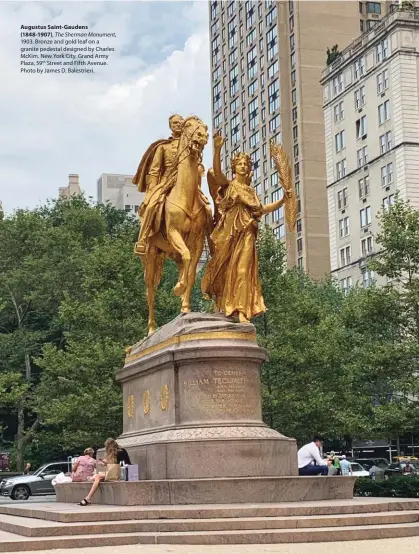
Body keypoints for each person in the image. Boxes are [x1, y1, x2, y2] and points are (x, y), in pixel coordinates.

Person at [202, 134, 292, 323]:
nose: (243, 166)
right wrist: (217, 150)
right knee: (226, 273)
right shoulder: (230, 185)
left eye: (246, 164)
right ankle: (224, 305)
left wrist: (283, 200)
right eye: (240, 164)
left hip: (248, 234)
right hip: (229, 237)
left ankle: (242, 310)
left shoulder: (251, 191)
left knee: (243, 271)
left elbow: (261, 209)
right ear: (234, 167)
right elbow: (217, 174)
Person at [132, 114, 184, 257]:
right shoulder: (163, 147)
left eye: (180, 122)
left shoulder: (190, 146)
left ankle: (211, 243)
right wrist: (152, 191)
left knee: (205, 207)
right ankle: (142, 239)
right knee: (151, 205)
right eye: (174, 123)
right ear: (170, 126)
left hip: (185, 183)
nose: (177, 125)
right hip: (166, 181)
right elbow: (155, 171)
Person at [78, 439, 131, 506]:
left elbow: (118, 465)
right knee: (96, 477)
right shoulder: (118, 451)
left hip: (122, 473)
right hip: (118, 472)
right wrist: (105, 463)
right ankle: (88, 498)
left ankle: (88, 498)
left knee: (97, 477)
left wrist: (106, 463)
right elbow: (115, 465)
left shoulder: (120, 451)